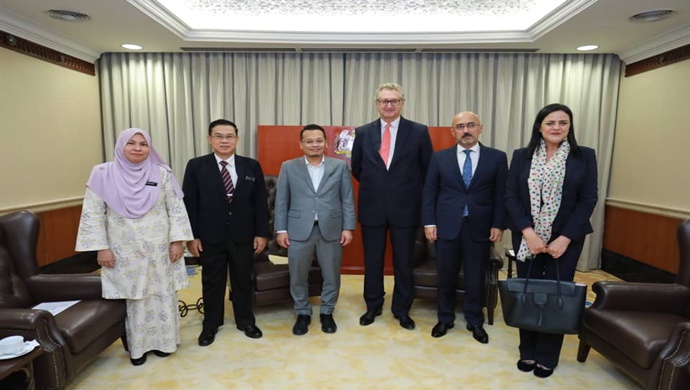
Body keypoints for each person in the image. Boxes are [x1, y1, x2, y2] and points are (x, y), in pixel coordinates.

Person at [75, 128, 192, 366]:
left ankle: (165, 343)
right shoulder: (102, 174)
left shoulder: (161, 173)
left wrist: (177, 241)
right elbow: (93, 213)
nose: (138, 148)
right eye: (131, 143)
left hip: (160, 249)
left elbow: (176, 208)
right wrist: (102, 247)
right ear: (120, 146)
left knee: (163, 294)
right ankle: (138, 349)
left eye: (143, 144)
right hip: (123, 250)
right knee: (135, 297)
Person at [505, 103, 598, 378]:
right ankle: (528, 351)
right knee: (528, 292)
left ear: (570, 127)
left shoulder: (584, 156)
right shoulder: (522, 156)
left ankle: (547, 356)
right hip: (527, 237)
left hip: (566, 240)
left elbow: (588, 199)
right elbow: (510, 196)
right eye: (550, 123)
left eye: (563, 123)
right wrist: (529, 233)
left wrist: (565, 238)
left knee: (557, 294)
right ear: (539, 127)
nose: (556, 127)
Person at [351, 83, 433, 330]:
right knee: (373, 260)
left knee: (403, 261)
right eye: (384, 101)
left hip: (406, 209)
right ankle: (373, 305)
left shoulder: (418, 132)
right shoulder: (363, 132)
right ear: (377, 104)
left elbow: (427, 170)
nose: (389, 105)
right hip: (372, 207)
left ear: (402, 103)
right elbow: (358, 168)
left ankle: (402, 309)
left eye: (394, 101)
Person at [182, 119, 269, 346]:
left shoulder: (251, 166)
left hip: (244, 235)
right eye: (218, 136)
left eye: (229, 136)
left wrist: (261, 233)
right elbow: (189, 204)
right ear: (210, 139)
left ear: (237, 139)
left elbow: (260, 203)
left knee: (243, 279)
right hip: (210, 237)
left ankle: (245, 321)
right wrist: (192, 236)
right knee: (213, 281)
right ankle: (210, 325)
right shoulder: (196, 166)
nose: (224, 140)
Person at [422, 112, 507, 344]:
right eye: (460, 126)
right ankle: (445, 318)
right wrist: (429, 222)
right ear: (453, 131)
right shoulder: (439, 158)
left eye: (470, 125)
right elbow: (430, 192)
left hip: (480, 228)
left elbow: (501, 195)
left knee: (475, 277)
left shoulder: (497, 158)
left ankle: (475, 320)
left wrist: (498, 224)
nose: (466, 130)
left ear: (480, 128)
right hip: (446, 228)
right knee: (446, 276)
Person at [274, 124, 356, 335]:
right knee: (298, 274)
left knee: (331, 274)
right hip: (298, 230)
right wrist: (281, 230)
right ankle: (302, 312)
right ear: (301, 144)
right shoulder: (289, 167)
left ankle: (327, 311)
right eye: (309, 141)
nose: (314, 145)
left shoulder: (339, 167)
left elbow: (347, 199)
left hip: (331, 229)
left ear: (326, 143)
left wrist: (348, 228)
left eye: (318, 140)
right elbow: (281, 201)